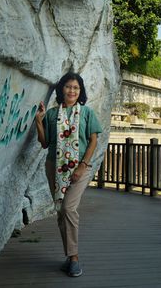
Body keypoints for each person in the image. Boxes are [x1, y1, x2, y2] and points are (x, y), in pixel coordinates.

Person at [35, 72, 102, 277]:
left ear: (80, 92)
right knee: (61, 211)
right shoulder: (53, 114)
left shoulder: (87, 113)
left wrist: (82, 165)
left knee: (68, 208)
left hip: (79, 168)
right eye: (68, 87)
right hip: (54, 167)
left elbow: (93, 141)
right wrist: (39, 121)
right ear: (61, 89)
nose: (72, 91)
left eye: (76, 88)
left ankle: (74, 258)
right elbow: (45, 143)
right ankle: (69, 257)